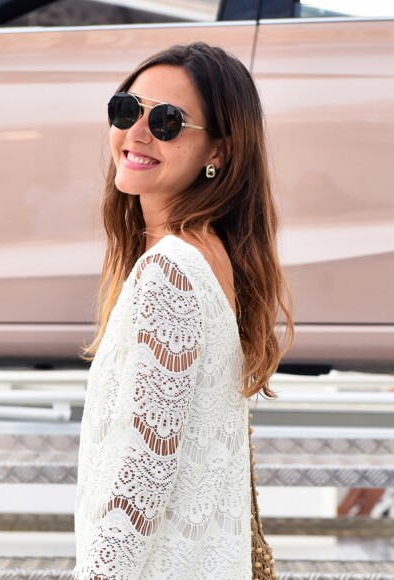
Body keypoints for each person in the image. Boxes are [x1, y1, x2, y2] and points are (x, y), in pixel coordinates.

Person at [73, 41, 294, 580]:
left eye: (167, 122)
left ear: (218, 151)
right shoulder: (210, 255)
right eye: (126, 110)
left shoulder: (170, 272)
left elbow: (140, 483)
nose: (137, 133)